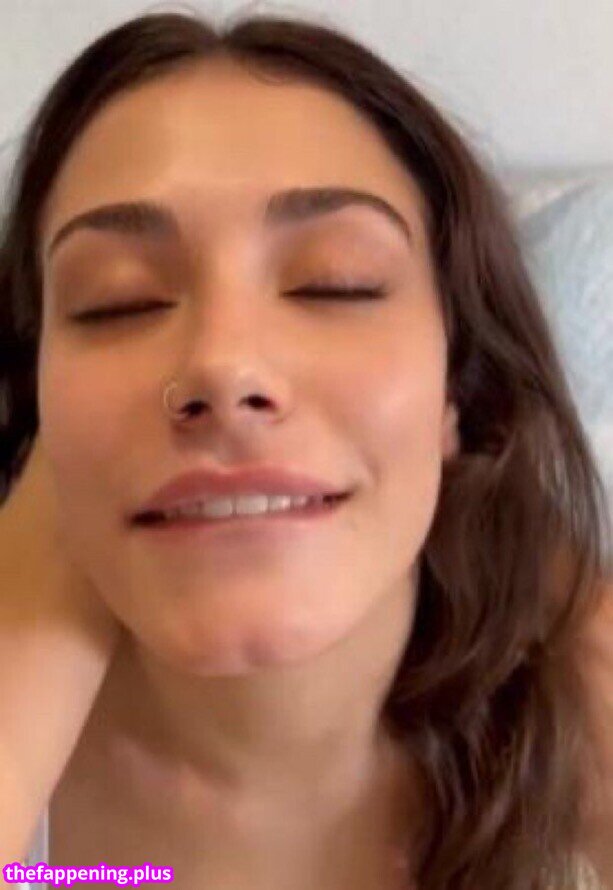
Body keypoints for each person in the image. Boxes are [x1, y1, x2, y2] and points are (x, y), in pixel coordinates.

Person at [0, 9, 611, 890]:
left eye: (336, 284)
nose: (222, 364)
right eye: (116, 301)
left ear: (458, 387)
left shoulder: (567, 743)